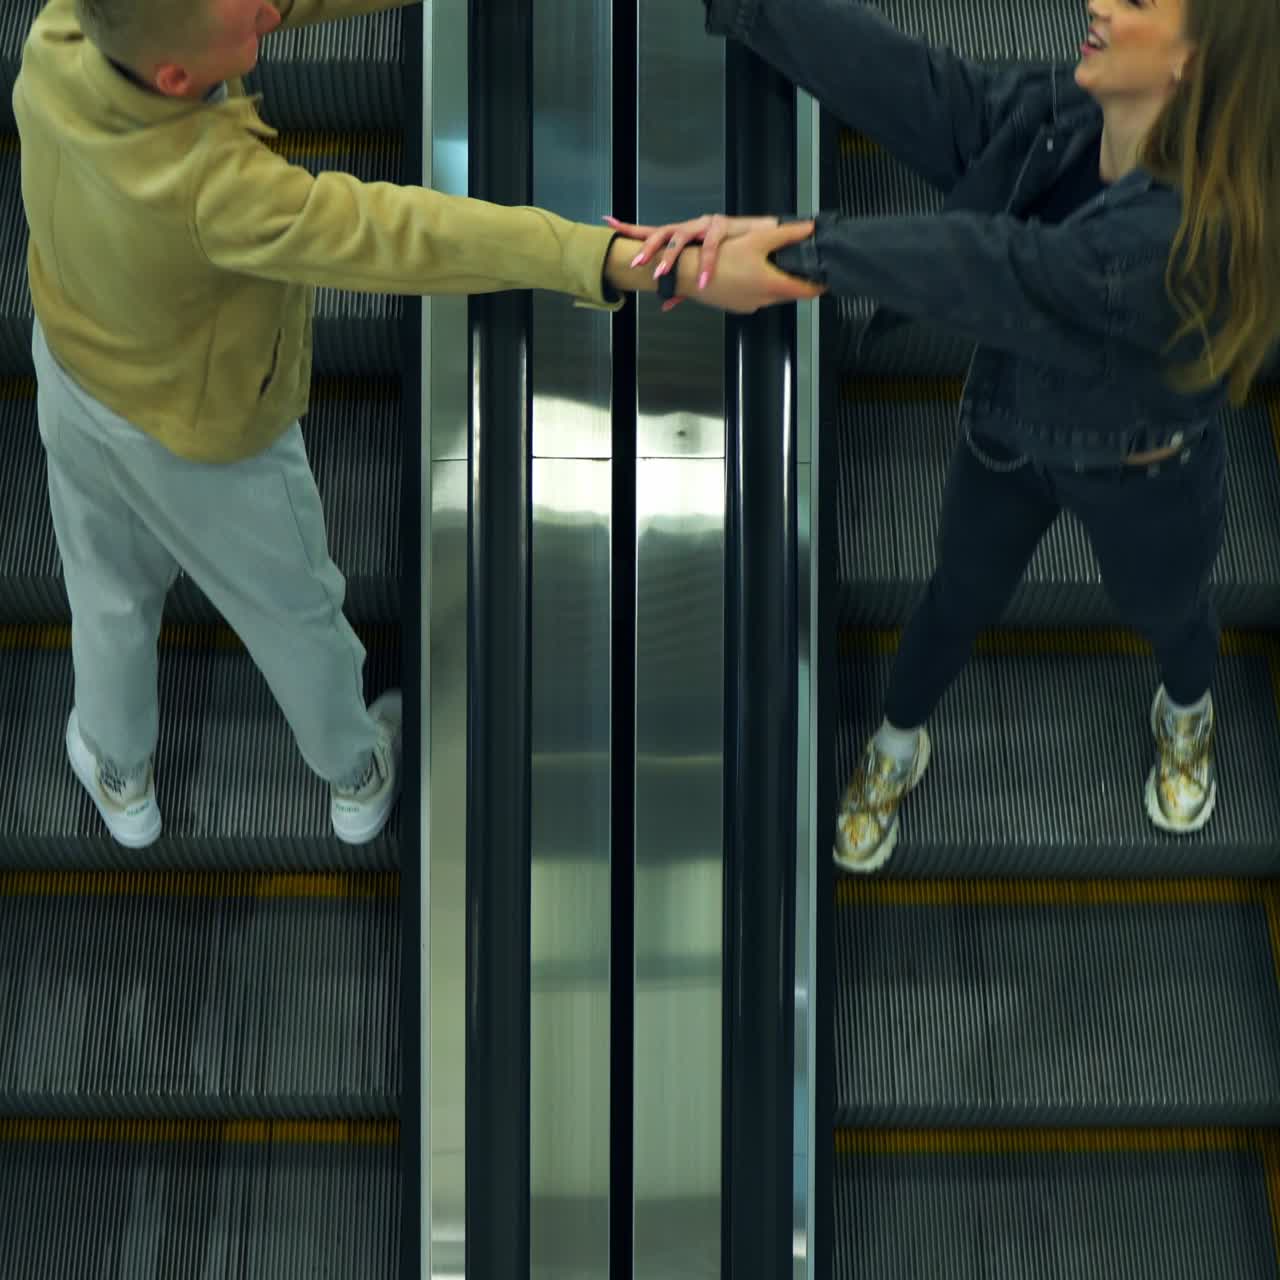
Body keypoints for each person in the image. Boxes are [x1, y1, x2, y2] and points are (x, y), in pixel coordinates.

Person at [15, 0, 821, 850]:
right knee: (294, 610)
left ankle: (116, 764)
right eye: (246, 23)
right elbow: (405, 236)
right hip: (204, 434)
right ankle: (354, 769)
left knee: (104, 588)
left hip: (72, 371)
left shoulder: (62, 34)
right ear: (177, 80)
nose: (266, 11)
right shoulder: (219, 192)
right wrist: (617, 259)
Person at [611, 0, 1280, 871]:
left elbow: (994, 266)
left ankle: (1186, 712)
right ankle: (899, 739)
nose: (1099, 4)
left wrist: (800, 253)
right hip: (1008, 430)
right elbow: (936, 97)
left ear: (1192, 63)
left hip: (1142, 472)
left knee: (1170, 611)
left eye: (1140, 2)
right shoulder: (1066, 118)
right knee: (954, 598)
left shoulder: (1182, 242)